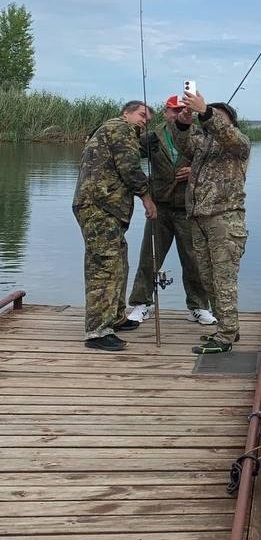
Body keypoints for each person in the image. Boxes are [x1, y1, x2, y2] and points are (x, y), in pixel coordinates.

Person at [72, 100, 158, 351]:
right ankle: (98, 332)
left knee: (118, 262)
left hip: (107, 209)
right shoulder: (120, 128)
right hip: (99, 207)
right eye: (142, 116)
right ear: (126, 113)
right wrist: (146, 197)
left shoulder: (114, 132)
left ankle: (116, 317)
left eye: (148, 120)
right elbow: (129, 167)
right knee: (104, 267)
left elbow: (123, 156)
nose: (144, 121)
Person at [125, 95, 216, 326]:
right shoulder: (152, 137)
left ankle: (198, 306)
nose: (178, 115)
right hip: (160, 206)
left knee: (193, 259)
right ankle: (141, 303)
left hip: (189, 207)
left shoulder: (200, 135)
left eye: (183, 110)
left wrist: (194, 171)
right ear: (166, 112)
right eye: (174, 110)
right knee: (149, 257)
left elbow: (216, 167)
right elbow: (127, 159)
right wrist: (144, 185)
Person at [173, 89, 251, 355]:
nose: (212, 117)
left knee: (223, 279)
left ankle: (226, 335)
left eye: (220, 116)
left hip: (225, 220)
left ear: (230, 122)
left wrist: (205, 112)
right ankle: (227, 328)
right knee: (207, 279)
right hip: (198, 218)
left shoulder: (238, 145)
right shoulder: (203, 143)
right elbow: (182, 142)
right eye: (210, 113)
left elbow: (231, 137)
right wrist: (184, 120)